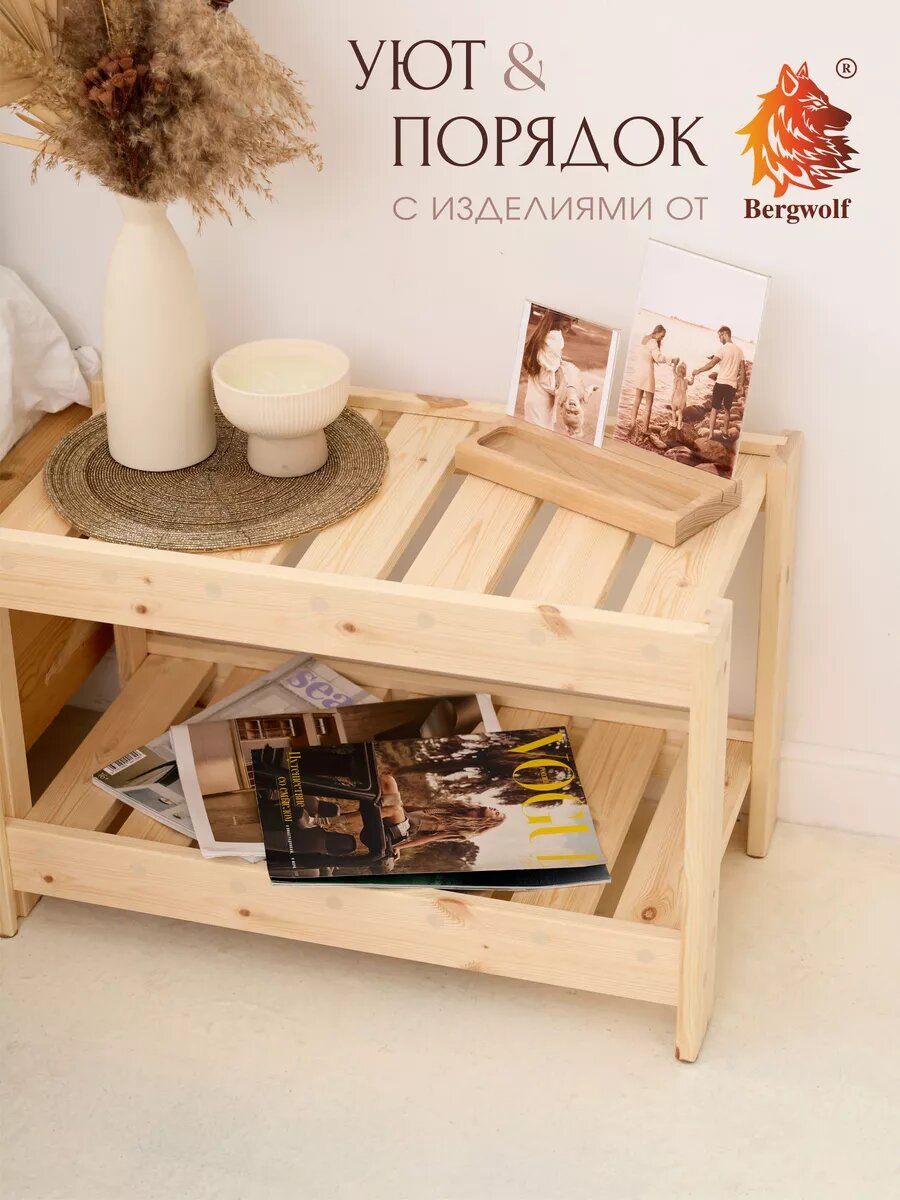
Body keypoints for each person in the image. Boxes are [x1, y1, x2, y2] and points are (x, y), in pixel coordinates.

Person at [520, 309, 574, 429]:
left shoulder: (544, 336)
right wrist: (568, 390)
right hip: (541, 404)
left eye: (573, 320)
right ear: (556, 318)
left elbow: (546, 370)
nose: (570, 325)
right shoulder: (554, 339)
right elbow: (547, 382)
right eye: (566, 319)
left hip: (534, 399)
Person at [691, 326, 745, 440]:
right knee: (727, 409)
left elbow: (711, 364)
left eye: (720, 336)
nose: (720, 339)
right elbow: (743, 370)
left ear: (725, 334)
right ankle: (725, 432)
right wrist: (741, 385)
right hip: (732, 385)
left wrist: (698, 371)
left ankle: (710, 434)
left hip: (721, 383)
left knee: (714, 409)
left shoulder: (722, 349)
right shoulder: (739, 350)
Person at [628, 324, 676, 436]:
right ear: (657, 332)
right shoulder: (653, 342)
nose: (662, 339)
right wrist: (672, 359)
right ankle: (645, 429)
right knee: (649, 403)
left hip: (639, 372)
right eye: (662, 336)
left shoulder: (644, 338)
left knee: (637, 400)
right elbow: (658, 358)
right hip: (647, 374)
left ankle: (632, 423)